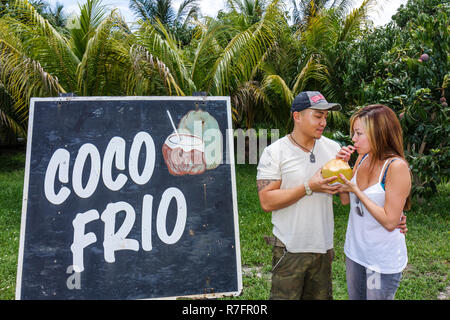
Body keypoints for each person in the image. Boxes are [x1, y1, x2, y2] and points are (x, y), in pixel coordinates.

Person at [256, 91, 345, 300]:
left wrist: (346, 171)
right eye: (317, 115)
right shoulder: (275, 152)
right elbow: (267, 201)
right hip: (290, 248)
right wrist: (309, 186)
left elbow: (344, 197)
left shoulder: (333, 148)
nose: (323, 122)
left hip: (323, 248)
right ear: (297, 116)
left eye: (325, 116)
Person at [335, 104, 411, 300]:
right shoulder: (362, 157)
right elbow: (345, 200)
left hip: (378, 261)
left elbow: (390, 222)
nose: (353, 139)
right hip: (355, 252)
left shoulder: (395, 167)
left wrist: (357, 191)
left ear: (378, 133)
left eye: (359, 133)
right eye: (353, 133)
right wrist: (341, 167)